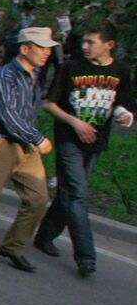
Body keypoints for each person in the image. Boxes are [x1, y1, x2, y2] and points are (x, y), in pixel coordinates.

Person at [33, 22, 133, 277]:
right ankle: (86, 257)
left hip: (97, 140)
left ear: (109, 45)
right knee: (78, 194)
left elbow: (122, 102)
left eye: (91, 42)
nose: (85, 46)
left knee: (68, 192)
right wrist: (75, 122)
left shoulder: (120, 69)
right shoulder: (71, 68)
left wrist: (124, 115)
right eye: (84, 42)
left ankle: (44, 235)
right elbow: (50, 104)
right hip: (69, 139)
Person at [0, 27, 59, 271]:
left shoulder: (34, 75)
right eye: (41, 48)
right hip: (1, 143)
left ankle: (13, 247)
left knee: (38, 199)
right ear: (25, 49)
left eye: (49, 48)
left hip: (25, 146)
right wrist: (37, 138)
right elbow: (7, 115)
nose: (47, 53)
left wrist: (31, 140)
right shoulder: (5, 76)